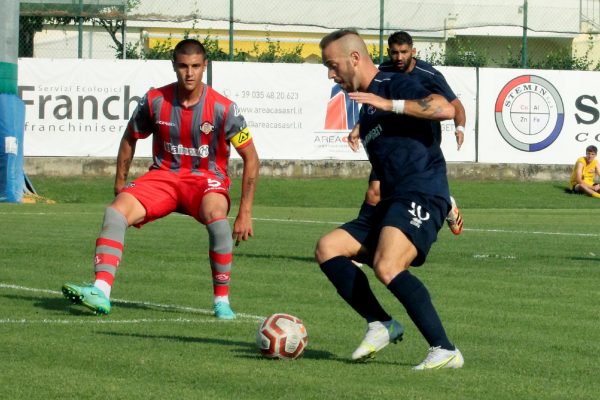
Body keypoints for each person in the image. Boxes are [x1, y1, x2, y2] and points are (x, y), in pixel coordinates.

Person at [62, 39, 259, 320]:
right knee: (115, 213)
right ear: (173, 66)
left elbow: (251, 157)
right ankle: (101, 290)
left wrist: (245, 212)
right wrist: (120, 183)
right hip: (164, 178)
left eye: (195, 66)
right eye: (182, 66)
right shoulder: (155, 100)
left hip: (205, 180)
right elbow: (130, 137)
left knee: (217, 218)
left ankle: (221, 301)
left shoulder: (224, 109)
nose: (189, 73)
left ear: (205, 67)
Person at [316, 29, 463, 370]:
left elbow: (445, 108)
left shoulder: (393, 84)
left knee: (388, 266)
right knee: (329, 248)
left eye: (332, 65)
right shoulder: (365, 111)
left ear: (354, 58)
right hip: (391, 200)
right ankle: (380, 323)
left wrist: (390, 104)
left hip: (422, 192)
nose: (330, 74)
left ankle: (445, 349)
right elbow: (382, 171)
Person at [348, 30, 465, 236]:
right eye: (394, 53)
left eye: (403, 52)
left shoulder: (429, 75)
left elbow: (455, 105)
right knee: (375, 191)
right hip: (391, 140)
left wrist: (460, 127)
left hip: (420, 142)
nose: (399, 57)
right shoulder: (383, 71)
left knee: (405, 189)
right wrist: (359, 126)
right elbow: (373, 104)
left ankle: (443, 202)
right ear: (388, 52)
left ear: (413, 51)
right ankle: (362, 241)